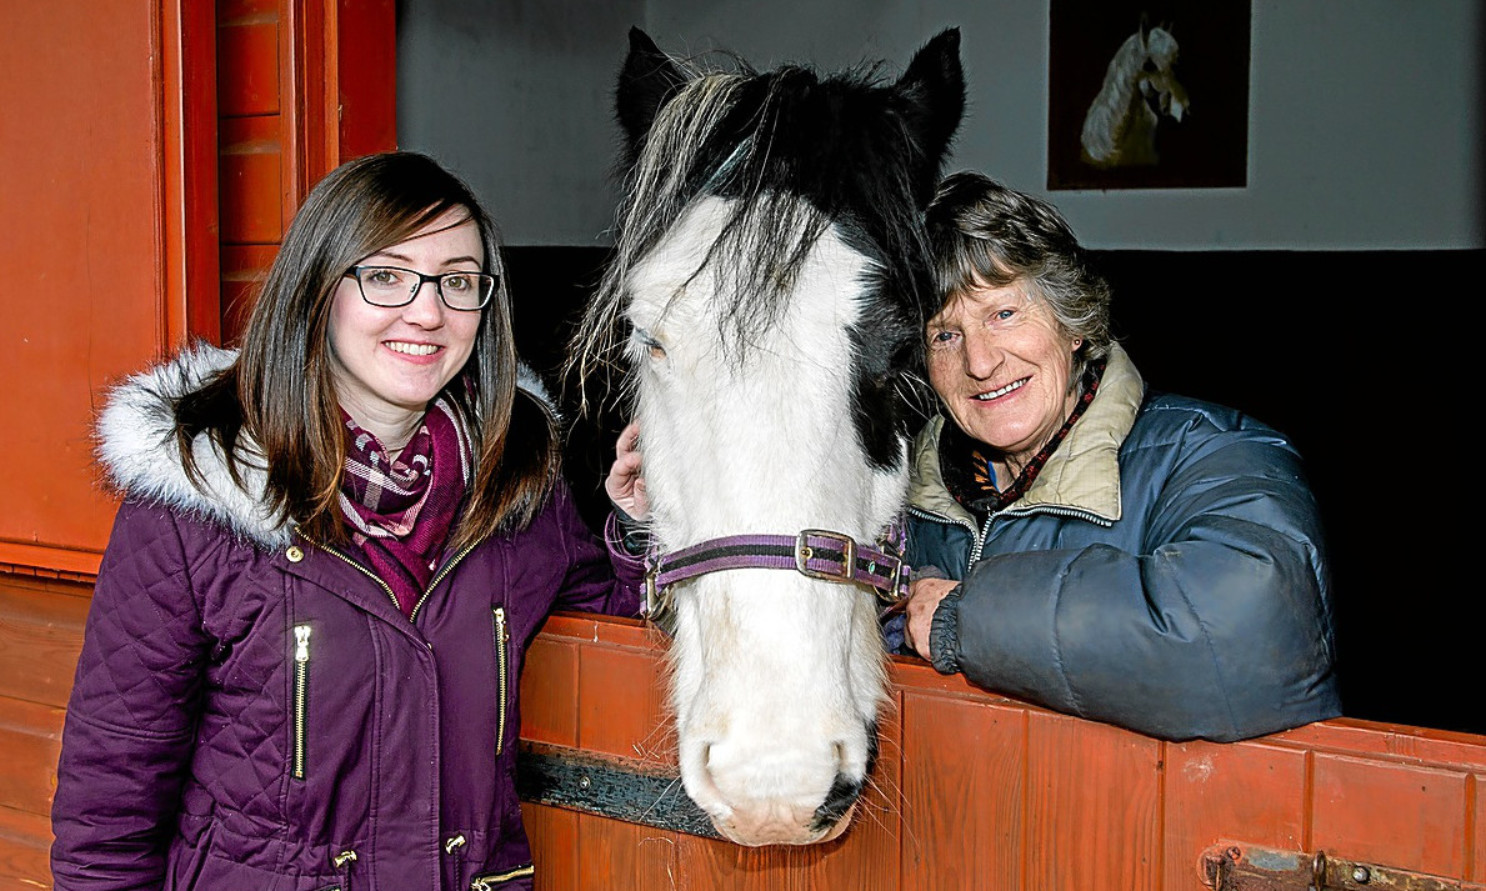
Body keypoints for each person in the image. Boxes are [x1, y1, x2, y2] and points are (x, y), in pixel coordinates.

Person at [50, 152, 643, 890]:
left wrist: (640, 523)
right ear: (319, 288)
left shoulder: (517, 485)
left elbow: (621, 631)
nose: (427, 312)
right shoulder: (202, 499)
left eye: (458, 282)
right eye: (386, 275)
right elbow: (109, 804)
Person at [897, 171, 1339, 742]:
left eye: (1003, 313)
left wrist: (966, 617)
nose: (980, 362)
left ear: (1070, 323)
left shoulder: (1218, 451)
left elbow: (1246, 637)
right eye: (944, 335)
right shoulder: (898, 491)